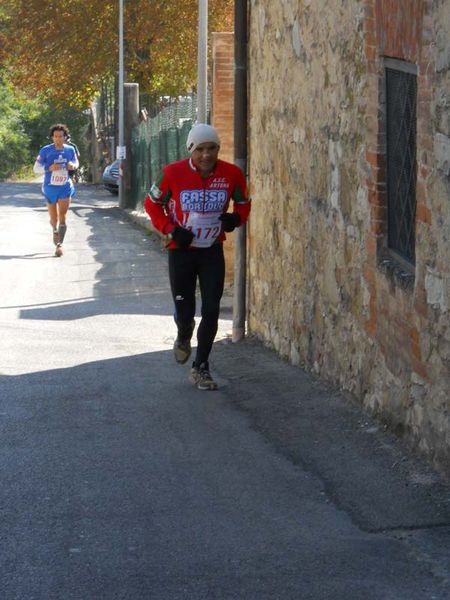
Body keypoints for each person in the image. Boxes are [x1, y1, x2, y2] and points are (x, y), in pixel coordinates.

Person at [144, 123, 251, 390]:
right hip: (181, 251)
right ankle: (183, 333)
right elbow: (151, 204)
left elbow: (244, 202)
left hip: (211, 251)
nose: (206, 155)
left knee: (212, 310)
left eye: (212, 148)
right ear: (190, 149)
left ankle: (201, 367)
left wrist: (235, 219)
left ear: (218, 148)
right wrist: (170, 229)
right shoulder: (171, 173)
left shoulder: (232, 174)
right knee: (185, 311)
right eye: (200, 149)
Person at [33, 123, 79, 257]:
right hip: (50, 187)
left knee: (63, 216)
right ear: (52, 137)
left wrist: (73, 166)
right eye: (56, 136)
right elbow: (36, 169)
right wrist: (49, 168)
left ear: (65, 137)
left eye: (61, 136)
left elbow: (76, 162)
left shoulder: (70, 150)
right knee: (54, 218)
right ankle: (54, 230)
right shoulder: (45, 150)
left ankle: (60, 245)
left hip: (65, 186)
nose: (58, 139)